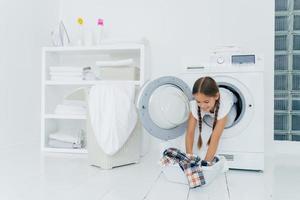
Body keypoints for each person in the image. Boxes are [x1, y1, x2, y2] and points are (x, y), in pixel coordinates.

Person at [185, 76, 237, 166]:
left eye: (206, 101)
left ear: (216, 96)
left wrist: (206, 163)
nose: (202, 105)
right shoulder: (196, 105)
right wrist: (189, 158)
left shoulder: (224, 104)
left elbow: (215, 138)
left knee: (229, 121)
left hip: (231, 103)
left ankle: (232, 109)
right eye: (198, 101)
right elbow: (190, 133)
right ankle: (211, 111)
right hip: (213, 107)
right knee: (203, 110)